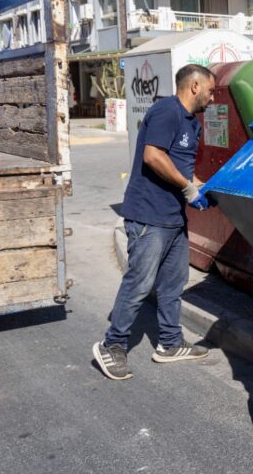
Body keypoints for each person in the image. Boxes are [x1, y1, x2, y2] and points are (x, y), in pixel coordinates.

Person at [92, 64, 216, 381]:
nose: (212, 98)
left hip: (173, 217)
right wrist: (187, 188)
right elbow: (153, 156)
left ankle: (170, 343)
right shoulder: (166, 111)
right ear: (194, 86)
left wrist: (202, 187)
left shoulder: (191, 123)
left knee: (173, 283)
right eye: (210, 91)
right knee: (139, 283)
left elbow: (181, 168)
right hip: (149, 214)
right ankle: (112, 345)